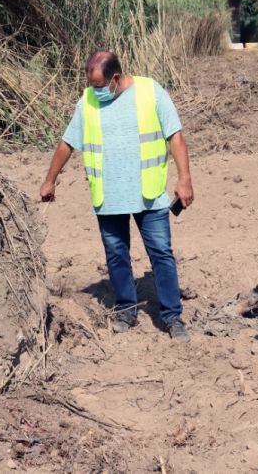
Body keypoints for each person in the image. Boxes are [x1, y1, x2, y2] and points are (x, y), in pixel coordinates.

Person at [39, 51, 194, 341]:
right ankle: (126, 310)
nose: (95, 91)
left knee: (161, 254)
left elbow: (176, 137)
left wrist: (184, 180)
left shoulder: (151, 92)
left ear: (116, 78)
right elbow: (67, 143)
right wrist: (50, 180)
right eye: (91, 84)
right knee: (116, 255)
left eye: (100, 85)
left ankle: (172, 316)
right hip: (108, 196)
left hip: (149, 195)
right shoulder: (87, 101)